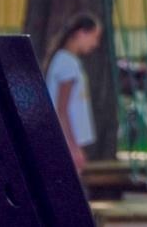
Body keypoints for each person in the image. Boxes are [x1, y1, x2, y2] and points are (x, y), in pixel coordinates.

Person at [44, 12, 102, 175]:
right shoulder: (67, 63)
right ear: (81, 33)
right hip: (64, 141)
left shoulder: (69, 61)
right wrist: (72, 146)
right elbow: (61, 108)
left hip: (67, 139)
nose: (96, 43)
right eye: (94, 36)